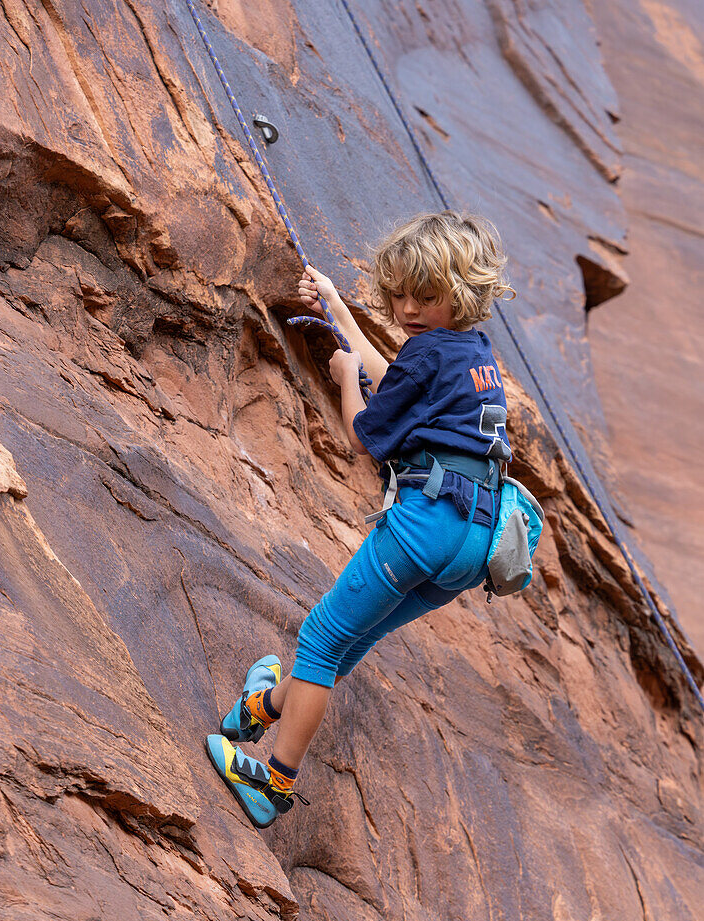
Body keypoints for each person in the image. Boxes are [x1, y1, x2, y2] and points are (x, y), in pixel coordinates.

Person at [206, 210, 515, 828]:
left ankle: (274, 781)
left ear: (463, 293)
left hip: (426, 522)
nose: (407, 308)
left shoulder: (428, 352)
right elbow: (403, 381)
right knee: (351, 639)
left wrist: (345, 376)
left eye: (425, 297)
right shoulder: (470, 351)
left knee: (321, 638)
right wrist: (341, 316)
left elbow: (365, 439)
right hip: (475, 539)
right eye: (398, 294)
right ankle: (263, 707)